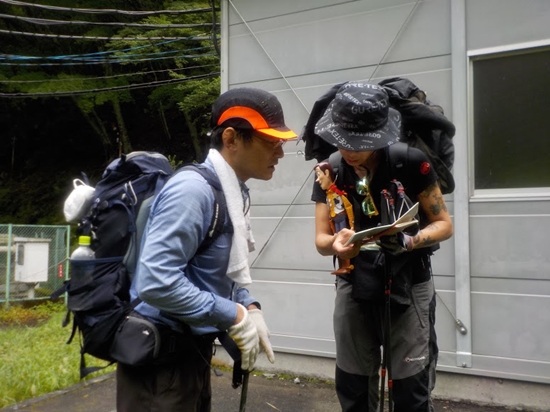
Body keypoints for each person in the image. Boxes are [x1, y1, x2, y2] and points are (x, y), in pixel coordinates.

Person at [116, 87, 298, 412]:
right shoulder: (193, 192)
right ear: (231, 139)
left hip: (191, 357)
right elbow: (156, 282)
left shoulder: (234, 193)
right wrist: (234, 314)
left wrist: (249, 306)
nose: (280, 153)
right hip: (159, 365)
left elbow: (218, 270)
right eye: (271, 142)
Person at [310, 82, 453, 412]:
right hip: (353, 282)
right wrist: (335, 244)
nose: (349, 150)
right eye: (343, 141)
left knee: (410, 389)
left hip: (409, 280)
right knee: (353, 385)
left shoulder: (411, 163)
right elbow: (320, 239)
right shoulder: (329, 170)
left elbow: (444, 224)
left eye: (360, 143)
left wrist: (411, 240)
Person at [314, 161, 355, 275]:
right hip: (335, 219)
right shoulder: (329, 192)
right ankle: (343, 265)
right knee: (339, 241)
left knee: (344, 241)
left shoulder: (336, 192)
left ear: (327, 173)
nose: (318, 179)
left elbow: (346, 205)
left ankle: (346, 265)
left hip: (341, 218)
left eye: (319, 175)